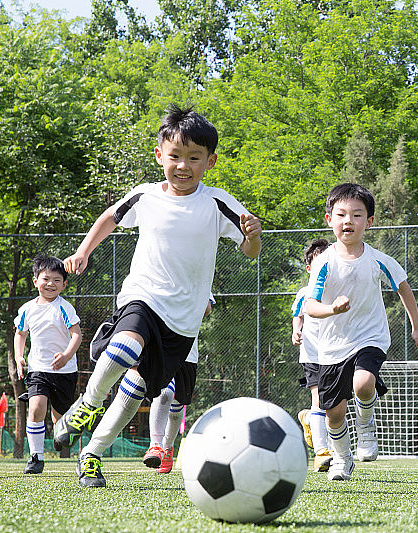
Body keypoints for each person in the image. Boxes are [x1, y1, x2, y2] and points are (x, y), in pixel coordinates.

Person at [54, 104, 262, 488]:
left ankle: (91, 454)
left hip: (182, 322)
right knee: (125, 347)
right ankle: (87, 404)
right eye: (175, 156)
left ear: (210, 162)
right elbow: (109, 218)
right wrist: (83, 251)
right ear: (159, 155)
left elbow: (250, 252)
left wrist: (252, 235)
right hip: (143, 296)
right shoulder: (146, 195)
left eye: (194, 158)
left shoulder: (218, 202)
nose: (183, 166)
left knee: (135, 390)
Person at [304, 183, 418, 481]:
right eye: (342, 214)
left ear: (369, 222)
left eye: (357, 215)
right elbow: (310, 305)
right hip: (332, 346)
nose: (349, 221)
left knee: (363, 383)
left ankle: (366, 425)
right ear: (329, 219)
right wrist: (332, 309)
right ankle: (342, 459)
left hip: (370, 337)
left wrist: (417, 327)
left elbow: (403, 289)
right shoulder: (323, 261)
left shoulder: (378, 260)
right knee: (333, 412)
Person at [14, 254, 82, 474]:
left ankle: (60, 435)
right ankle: (35, 457)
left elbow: (77, 336)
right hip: (37, 369)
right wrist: (19, 356)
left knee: (60, 419)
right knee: (35, 408)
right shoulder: (27, 309)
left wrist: (66, 354)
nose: (50, 284)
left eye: (56, 280)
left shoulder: (65, 308)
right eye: (45, 279)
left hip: (65, 370)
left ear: (64, 284)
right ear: (35, 281)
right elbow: (20, 333)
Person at [143, 294, 214, 474]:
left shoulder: (199, 276)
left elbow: (206, 309)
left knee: (177, 404)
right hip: (162, 347)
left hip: (187, 351)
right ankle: (155, 445)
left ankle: (168, 447)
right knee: (164, 393)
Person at [291, 238, 332, 472]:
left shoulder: (339, 290)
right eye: (318, 265)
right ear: (309, 268)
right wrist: (296, 330)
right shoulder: (305, 293)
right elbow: (298, 315)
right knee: (319, 399)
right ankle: (321, 452)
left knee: (334, 403)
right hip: (312, 353)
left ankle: (308, 418)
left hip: (337, 353)